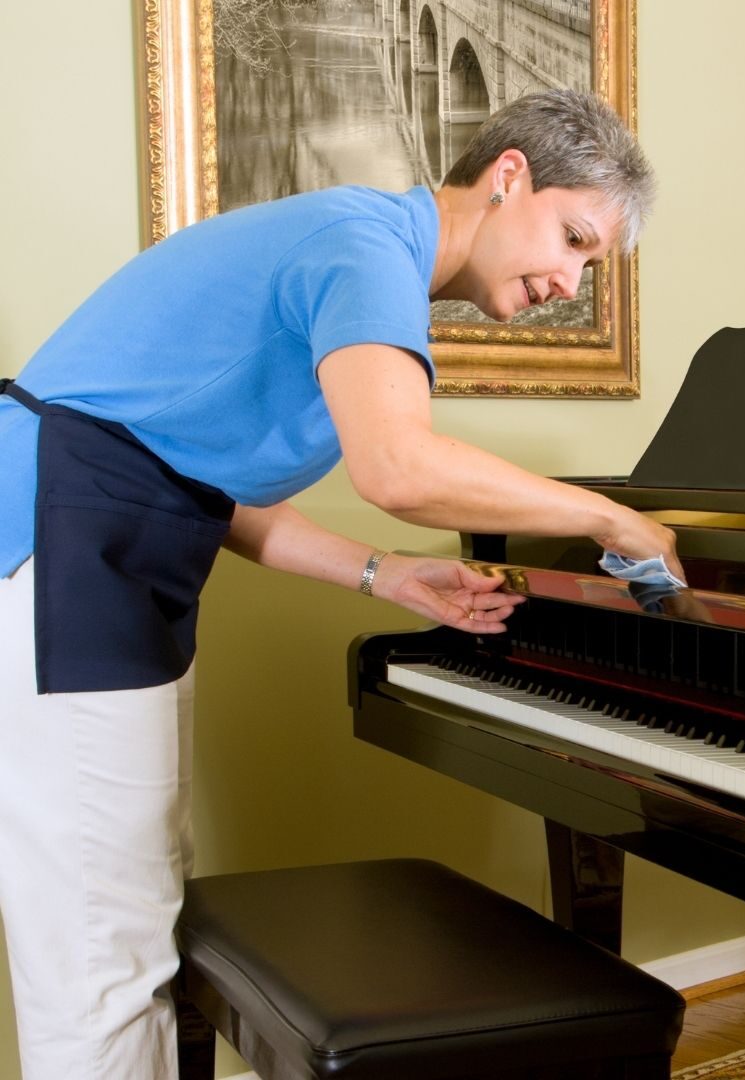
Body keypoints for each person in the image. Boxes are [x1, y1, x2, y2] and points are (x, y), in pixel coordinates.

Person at [0, 88, 680, 1079]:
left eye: (592, 264)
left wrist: (384, 574)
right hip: (62, 537)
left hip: (107, 538)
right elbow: (398, 469)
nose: (574, 280)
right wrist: (613, 516)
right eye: (575, 238)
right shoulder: (367, 249)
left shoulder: (359, 244)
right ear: (508, 177)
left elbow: (199, 484)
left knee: (124, 916)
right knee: (101, 951)